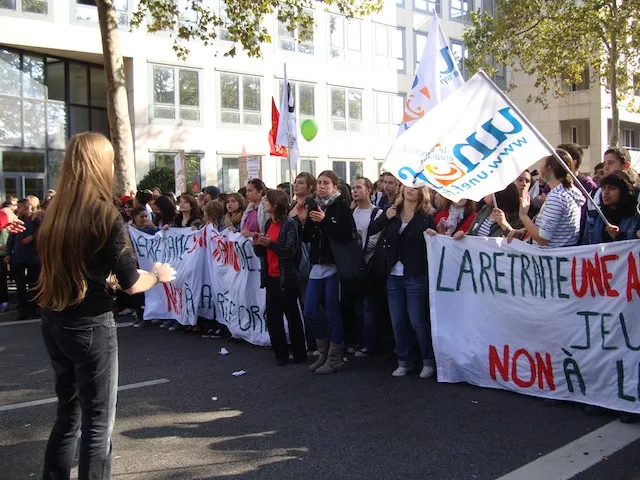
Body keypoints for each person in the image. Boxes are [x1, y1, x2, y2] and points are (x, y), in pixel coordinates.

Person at [35, 132, 176, 480]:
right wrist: (157, 275)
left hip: (54, 317)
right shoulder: (103, 214)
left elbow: (80, 266)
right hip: (89, 324)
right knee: (97, 424)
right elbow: (132, 283)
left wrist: (104, 277)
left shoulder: (54, 213)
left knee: (68, 414)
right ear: (102, 165)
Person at [369, 186, 436, 378]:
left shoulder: (425, 217)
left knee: (417, 321)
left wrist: (433, 234)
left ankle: (427, 360)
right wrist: (385, 217)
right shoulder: (392, 211)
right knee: (397, 322)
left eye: (415, 187)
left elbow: (433, 240)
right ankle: (404, 360)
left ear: (422, 192)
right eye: (408, 186)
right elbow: (372, 229)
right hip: (393, 275)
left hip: (415, 274)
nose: (410, 190)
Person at [298, 170, 352, 375]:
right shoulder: (314, 205)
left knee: (332, 313)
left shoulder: (340, 207)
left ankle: (334, 358)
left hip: (334, 266)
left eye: (326, 183)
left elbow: (346, 236)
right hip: (317, 265)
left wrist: (325, 221)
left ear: (334, 187)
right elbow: (307, 238)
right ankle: (323, 352)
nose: (321, 186)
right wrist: (305, 221)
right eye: (319, 182)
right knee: (310, 310)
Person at [254, 190, 307, 366]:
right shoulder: (269, 223)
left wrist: (271, 244)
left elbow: (289, 251)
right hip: (270, 276)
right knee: (273, 318)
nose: (263, 204)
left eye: (266, 201)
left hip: (286, 277)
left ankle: (299, 352)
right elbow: (263, 253)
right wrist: (258, 244)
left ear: (275, 204)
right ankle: (280, 354)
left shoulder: (290, 224)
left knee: (292, 316)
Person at [508, 149, 586, 247]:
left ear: (548, 168)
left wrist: (523, 215)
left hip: (551, 254)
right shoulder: (566, 191)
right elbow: (553, 229)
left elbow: (542, 239)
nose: (539, 167)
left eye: (542, 163)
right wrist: (523, 231)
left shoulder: (557, 197)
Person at [350, 177, 383, 357]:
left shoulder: (377, 213)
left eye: (359, 187)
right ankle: (361, 340)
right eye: (353, 188)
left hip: (368, 265)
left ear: (369, 190)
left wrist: (358, 250)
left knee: (368, 307)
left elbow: (375, 241)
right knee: (357, 307)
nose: (355, 191)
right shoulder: (352, 213)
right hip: (354, 266)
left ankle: (370, 344)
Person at [581, 171, 640, 244]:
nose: (606, 192)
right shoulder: (593, 217)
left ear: (624, 192)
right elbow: (586, 245)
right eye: (603, 188)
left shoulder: (636, 218)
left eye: (612, 188)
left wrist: (619, 236)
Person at [5, 199, 40, 320]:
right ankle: (23, 310)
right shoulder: (17, 220)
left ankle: (35, 308)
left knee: (34, 284)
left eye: (19, 207)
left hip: (33, 258)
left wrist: (32, 237)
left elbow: (42, 232)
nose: (18, 210)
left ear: (26, 208)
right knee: (20, 286)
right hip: (18, 257)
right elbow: (11, 238)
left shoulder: (36, 221)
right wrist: (8, 253)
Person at [456, 184, 523, 239]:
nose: (485, 194)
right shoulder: (485, 209)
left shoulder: (515, 218)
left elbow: (515, 242)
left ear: (498, 194)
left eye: (488, 192)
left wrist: (504, 225)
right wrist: (462, 236)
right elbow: (471, 232)